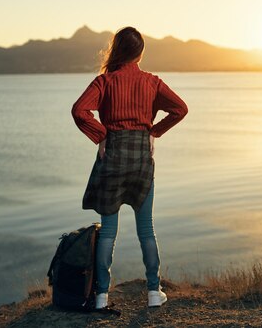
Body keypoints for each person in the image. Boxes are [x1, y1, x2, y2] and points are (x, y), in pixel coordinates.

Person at [71, 26, 188, 310]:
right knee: (146, 229)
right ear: (140, 52)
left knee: (108, 232)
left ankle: (101, 296)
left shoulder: (104, 82)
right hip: (140, 160)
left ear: (117, 50)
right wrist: (153, 132)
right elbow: (180, 109)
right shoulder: (151, 82)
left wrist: (100, 135)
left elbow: (79, 110)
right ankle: (153, 292)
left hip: (112, 157)